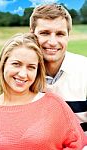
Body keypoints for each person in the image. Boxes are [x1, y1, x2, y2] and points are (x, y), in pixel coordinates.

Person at [0, 33, 86, 149]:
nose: (23, 74)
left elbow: (78, 144)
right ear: (3, 64)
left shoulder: (54, 105)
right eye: (16, 64)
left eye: (31, 67)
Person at [30, 3, 87, 135]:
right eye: (44, 33)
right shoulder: (22, 74)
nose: (52, 42)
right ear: (32, 33)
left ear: (68, 36)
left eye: (60, 34)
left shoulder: (85, 70)